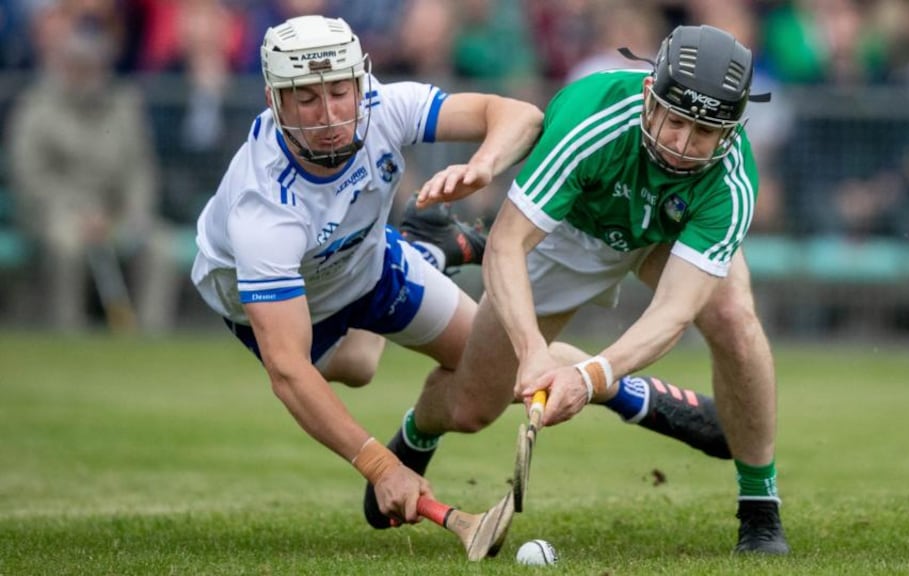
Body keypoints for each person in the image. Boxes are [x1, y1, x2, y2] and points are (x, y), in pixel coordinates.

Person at [411, 24, 790, 554]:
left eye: (703, 133)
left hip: (662, 234)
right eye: (676, 121)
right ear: (649, 97)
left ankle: (760, 508)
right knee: (471, 409)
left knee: (731, 315)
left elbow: (676, 310)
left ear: (729, 131)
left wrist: (590, 377)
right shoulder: (594, 118)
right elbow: (508, 244)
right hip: (567, 231)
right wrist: (531, 351)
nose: (683, 145)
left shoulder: (731, 177)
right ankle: (415, 434)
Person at [190, 14, 539, 525]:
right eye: (307, 98)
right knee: (357, 367)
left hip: (370, 263)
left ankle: (629, 393)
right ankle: (426, 251)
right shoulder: (264, 210)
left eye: (339, 92)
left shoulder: (382, 106)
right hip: (296, 298)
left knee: (491, 375)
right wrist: (380, 466)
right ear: (274, 100)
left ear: (359, 82)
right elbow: (288, 371)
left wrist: (482, 165)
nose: (330, 115)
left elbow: (519, 114)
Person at [7, 8, 178, 333]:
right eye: (79, 66)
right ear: (65, 66)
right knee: (66, 245)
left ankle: (153, 339)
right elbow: (29, 176)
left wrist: (133, 214)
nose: (88, 74)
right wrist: (78, 213)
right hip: (58, 215)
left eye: (94, 66)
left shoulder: (125, 104)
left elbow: (140, 170)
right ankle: (68, 333)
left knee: (160, 246)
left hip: (115, 214)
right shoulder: (37, 107)